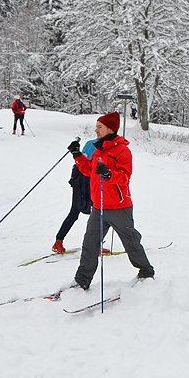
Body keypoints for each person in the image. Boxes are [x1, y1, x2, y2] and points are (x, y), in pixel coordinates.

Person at [66, 111, 154, 290]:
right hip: (98, 207)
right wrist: (77, 155)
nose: (96, 130)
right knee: (89, 244)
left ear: (110, 128)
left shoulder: (123, 151)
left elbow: (124, 177)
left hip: (119, 207)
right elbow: (88, 170)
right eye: (96, 126)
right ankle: (82, 280)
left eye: (99, 127)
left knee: (131, 242)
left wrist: (108, 173)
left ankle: (146, 272)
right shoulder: (98, 150)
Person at [52, 135, 95, 253]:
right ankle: (95, 245)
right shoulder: (102, 145)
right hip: (87, 180)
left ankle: (58, 241)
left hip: (78, 179)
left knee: (74, 212)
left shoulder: (90, 143)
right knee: (98, 213)